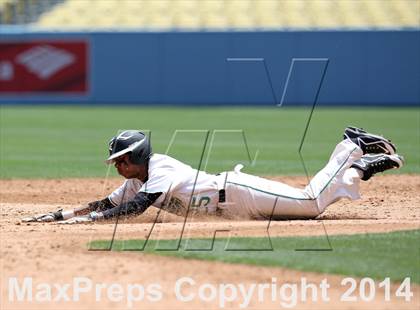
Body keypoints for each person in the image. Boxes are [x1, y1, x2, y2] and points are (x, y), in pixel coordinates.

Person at [22, 127, 404, 223]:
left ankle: (350, 148)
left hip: (237, 192)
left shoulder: (160, 170)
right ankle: (358, 167)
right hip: (235, 209)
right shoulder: (136, 180)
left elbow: (137, 209)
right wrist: (61, 215)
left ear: (137, 155)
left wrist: (89, 221)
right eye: (116, 162)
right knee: (311, 206)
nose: (118, 166)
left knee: (311, 203)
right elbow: (108, 202)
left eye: (122, 159)